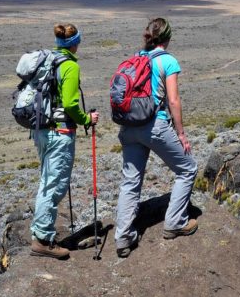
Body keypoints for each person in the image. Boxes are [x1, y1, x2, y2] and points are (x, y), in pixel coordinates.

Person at [115, 17, 198, 258]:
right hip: (154, 125)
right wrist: (181, 134)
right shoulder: (167, 61)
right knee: (188, 169)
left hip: (129, 127)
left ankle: (123, 238)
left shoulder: (137, 58)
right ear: (168, 38)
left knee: (130, 182)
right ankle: (175, 222)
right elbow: (173, 100)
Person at [30, 23, 100, 259]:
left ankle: (41, 234)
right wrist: (86, 119)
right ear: (75, 43)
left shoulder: (49, 61)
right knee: (54, 186)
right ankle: (42, 240)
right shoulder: (69, 66)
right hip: (59, 133)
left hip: (41, 131)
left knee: (47, 182)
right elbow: (70, 104)